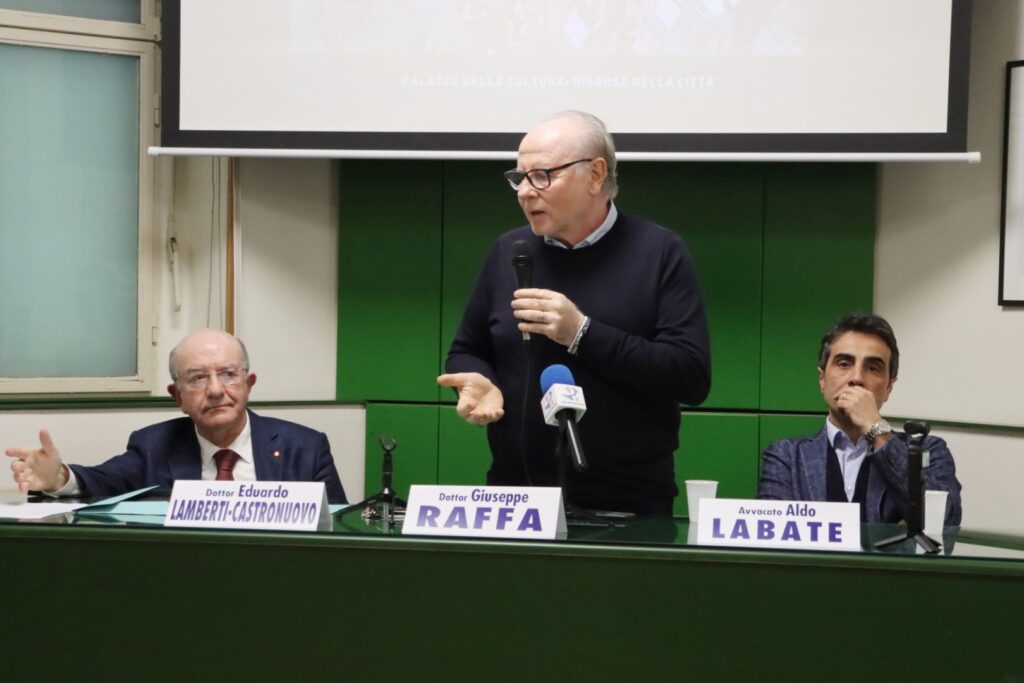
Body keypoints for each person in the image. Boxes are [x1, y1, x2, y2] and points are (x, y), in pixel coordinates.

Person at [437, 111, 711, 515]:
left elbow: (689, 376)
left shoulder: (658, 253)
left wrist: (580, 332)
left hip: (626, 508)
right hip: (514, 500)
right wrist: (480, 379)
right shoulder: (508, 251)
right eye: (519, 177)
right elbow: (467, 349)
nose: (525, 192)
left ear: (596, 174)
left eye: (542, 175)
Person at [6, 329, 347, 504]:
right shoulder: (154, 446)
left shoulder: (305, 447)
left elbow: (339, 531)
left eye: (228, 374)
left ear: (248, 384)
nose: (215, 390)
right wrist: (58, 478)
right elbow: (102, 482)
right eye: (198, 378)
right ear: (178, 396)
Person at [757, 313, 962, 525]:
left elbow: (943, 521)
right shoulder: (787, 457)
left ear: (889, 387)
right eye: (844, 364)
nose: (856, 378)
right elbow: (773, 538)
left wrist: (877, 430)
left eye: (873, 368)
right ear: (822, 380)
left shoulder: (928, 450)